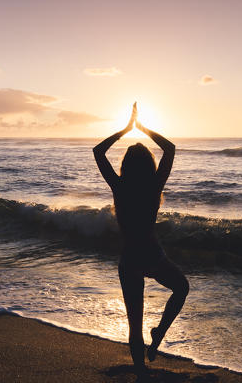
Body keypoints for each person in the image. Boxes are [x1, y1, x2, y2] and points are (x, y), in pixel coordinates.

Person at [93, 102, 189, 377]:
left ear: (126, 165)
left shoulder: (119, 187)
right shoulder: (153, 185)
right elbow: (170, 149)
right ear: (149, 164)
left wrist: (125, 130)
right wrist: (143, 128)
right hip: (153, 256)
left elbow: (98, 152)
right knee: (181, 289)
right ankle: (159, 335)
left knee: (134, 325)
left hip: (130, 260)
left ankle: (140, 371)